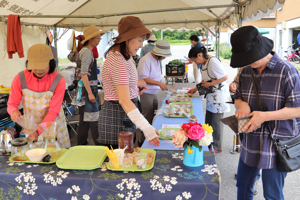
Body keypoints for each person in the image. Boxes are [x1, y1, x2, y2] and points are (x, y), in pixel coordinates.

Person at [230, 26, 300, 200]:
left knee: (272, 194)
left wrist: (265, 116)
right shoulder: (246, 72)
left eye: (251, 57)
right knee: (243, 185)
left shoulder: (287, 71)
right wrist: (242, 104)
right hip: (251, 139)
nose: (249, 61)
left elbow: (297, 109)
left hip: (277, 142)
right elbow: (237, 97)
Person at [98, 16, 160, 148]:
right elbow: (124, 100)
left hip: (124, 116)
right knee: (119, 163)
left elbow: (120, 83)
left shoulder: (124, 57)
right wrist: (147, 128)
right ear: (127, 38)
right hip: (117, 118)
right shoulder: (118, 60)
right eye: (139, 40)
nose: (141, 45)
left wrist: (135, 86)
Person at [7, 44, 70, 148]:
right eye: (35, 66)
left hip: (53, 125)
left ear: (51, 63)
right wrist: (13, 112)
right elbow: (12, 103)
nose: (39, 70)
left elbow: (53, 111)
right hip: (31, 127)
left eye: (43, 66)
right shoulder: (20, 78)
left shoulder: (58, 80)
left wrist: (38, 131)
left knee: (56, 156)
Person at [187, 46, 230, 153]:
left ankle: (217, 146)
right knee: (208, 121)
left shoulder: (213, 61)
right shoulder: (203, 64)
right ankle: (209, 142)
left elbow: (225, 77)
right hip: (211, 95)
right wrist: (195, 89)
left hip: (219, 97)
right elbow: (204, 80)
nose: (195, 63)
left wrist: (210, 84)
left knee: (216, 122)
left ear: (200, 55)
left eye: (195, 60)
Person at [136, 40, 171, 144]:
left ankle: (151, 139)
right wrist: (159, 83)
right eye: (164, 55)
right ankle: (142, 141)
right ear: (159, 53)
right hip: (146, 93)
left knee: (153, 118)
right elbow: (144, 78)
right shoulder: (145, 60)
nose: (164, 58)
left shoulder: (156, 59)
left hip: (153, 93)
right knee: (146, 119)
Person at [76, 25, 105, 145]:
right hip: (88, 91)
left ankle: (80, 145)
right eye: (97, 38)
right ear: (90, 39)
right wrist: (89, 93)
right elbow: (83, 74)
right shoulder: (87, 52)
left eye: (99, 38)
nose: (99, 40)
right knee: (94, 120)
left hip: (84, 90)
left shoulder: (84, 51)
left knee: (84, 121)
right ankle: (100, 147)